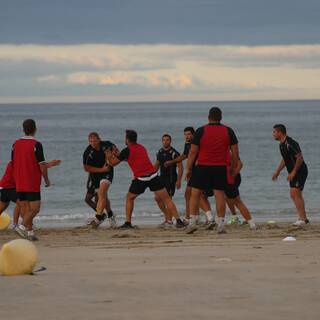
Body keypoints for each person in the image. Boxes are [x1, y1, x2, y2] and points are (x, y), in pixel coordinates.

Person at [106, 129, 185, 229]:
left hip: (141, 178)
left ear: (127, 140)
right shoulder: (141, 147)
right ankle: (179, 221)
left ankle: (128, 223)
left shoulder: (127, 150)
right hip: (153, 176)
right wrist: (118, 155)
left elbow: (113, 163)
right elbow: (132, 159)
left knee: (129, 198)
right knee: (167, 199)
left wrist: (109, 156)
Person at [186, 107, 239, 234]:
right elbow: (235, 152)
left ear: (208, 116)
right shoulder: (228, 130)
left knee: (195, 193)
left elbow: (193, 152)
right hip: (220, 167)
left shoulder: (200, 130)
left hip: (203, 166)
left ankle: (192, 222)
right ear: (221, 117)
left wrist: (188, 168)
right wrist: (233, 167)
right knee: (219, 194)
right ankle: (220, 224)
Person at [12, 119, 61, 241]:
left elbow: (13, 163)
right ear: (35, 129)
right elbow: (41, 165)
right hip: (31, 182)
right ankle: (22, 227)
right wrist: (47, 180)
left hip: (19, 181)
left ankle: (30, 233)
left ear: (23, 129)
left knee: (25, 208)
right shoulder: (36, 145)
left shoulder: (15, 144)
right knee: (35, 209)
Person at [164, 127, 214, 227]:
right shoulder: (188, 143)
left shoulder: (196, 143)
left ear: (193, 134)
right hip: (195, 171)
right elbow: (185, 155)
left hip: (199, 171)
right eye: (185, 134)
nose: (187, 136)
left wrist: (174, 162)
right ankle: (196, 217)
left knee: (197, 195)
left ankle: (206, 218)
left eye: (189, 134)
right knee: (192, 195)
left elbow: (191, 155)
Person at [272, 124, 309, 226]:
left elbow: (299, 158)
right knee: (295, 194)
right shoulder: (281, 145)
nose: (273, 134)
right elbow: (285, 159)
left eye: (274, 132)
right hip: (295, 172)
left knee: (294, 193)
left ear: (280, 132)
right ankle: (303, 218)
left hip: (300, 170)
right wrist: (277, 171)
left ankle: (302, 219)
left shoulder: (290, 143)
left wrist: (293, 172)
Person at [83, 132, 117, 228]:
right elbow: (86, 168)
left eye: (94, 141)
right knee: (100, 197)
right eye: (91, 141)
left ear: (99, 139)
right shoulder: (87, 152)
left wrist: (113, 155)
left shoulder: (107, 145)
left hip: (107, 173)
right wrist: (101, 169)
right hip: (95, 176)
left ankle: (98, 217)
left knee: (101, 193)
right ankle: (110, 215)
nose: (93, 143)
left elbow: (117, 152)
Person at [154, 134, 183, 227]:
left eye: (167, 140)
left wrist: (179, 180)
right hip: (161, 178)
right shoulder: (159, 151)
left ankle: (169, 221)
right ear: (162, 141)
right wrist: (150, 176)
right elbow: (156, 166)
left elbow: (180, 167)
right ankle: (167, 217)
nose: (165, 141)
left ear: (170, 141)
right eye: (164, 140)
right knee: (157, 198)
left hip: (171, 179)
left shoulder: (174, 153)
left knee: (168, 200)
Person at [225, 151, 256, 230]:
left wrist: (233, 174)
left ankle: (251, 223)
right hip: (227, 178)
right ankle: (235, 217)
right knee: (227, 197)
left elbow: (240, 164)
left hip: (233, 178)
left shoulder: (228, 151)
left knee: (236, 200)